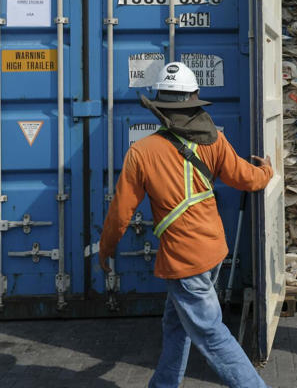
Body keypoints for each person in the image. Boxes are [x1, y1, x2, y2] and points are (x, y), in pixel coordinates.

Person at [99, 62, 273, 388]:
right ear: (194, 100)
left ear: (159, 106)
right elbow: (247, 179)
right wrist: (267, 171)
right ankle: (164, 384)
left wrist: (105, 250)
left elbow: (120, 214)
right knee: (176, 323)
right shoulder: (213, 140)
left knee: (211, 333)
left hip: (184, 260)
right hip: (213, 250)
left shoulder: (142, 152)